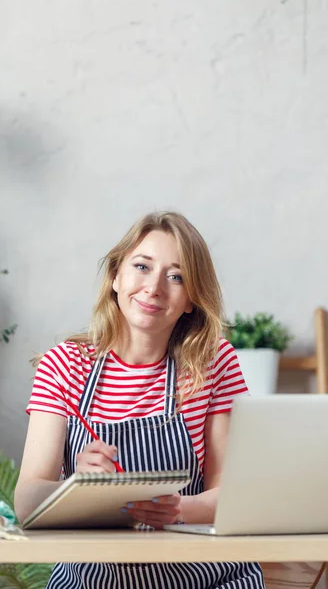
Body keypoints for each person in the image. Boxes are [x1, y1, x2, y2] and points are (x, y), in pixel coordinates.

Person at [14, 211, 265, 589]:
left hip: (205, 578)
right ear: (116, 277)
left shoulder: (214, 363)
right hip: (93, 580)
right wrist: (78, 491)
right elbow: (28, 501)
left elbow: (235, 494)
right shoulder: (64, 365)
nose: (154, 287)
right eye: (142, 266)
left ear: (191, 300)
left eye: (176, 276)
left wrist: (179, 509)